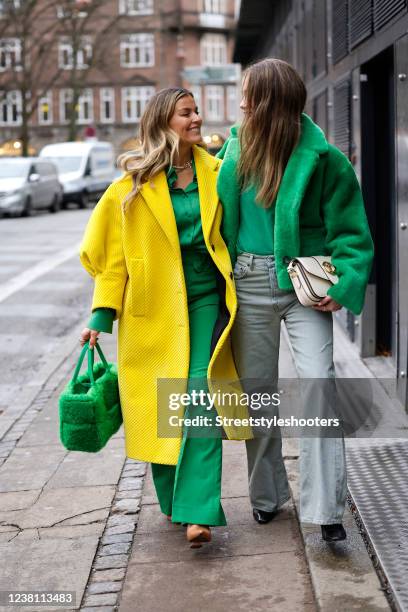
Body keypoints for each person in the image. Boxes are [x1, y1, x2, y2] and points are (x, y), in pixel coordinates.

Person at [79, 87, 250, 548]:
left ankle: (199, 509)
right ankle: (175, 501)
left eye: (197, 111)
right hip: (152, 309)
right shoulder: (128, 189)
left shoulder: (219, 172)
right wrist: (100, 316)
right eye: (186, 113)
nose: (196, 119)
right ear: (163, 122)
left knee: (199, 394)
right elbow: (110, 260)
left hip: (206, 302)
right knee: (163, 405)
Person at [216, 58, 374, 542]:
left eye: (247, 93)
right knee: (258, 393)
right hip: (246, 283)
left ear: (266, 100)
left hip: (304, 287)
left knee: (319, 384)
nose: (240, 101)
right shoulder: (231, 151)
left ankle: (326, 507)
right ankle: (266, 497)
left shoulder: (324, 159)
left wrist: (342, 283)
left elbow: (351, 232)